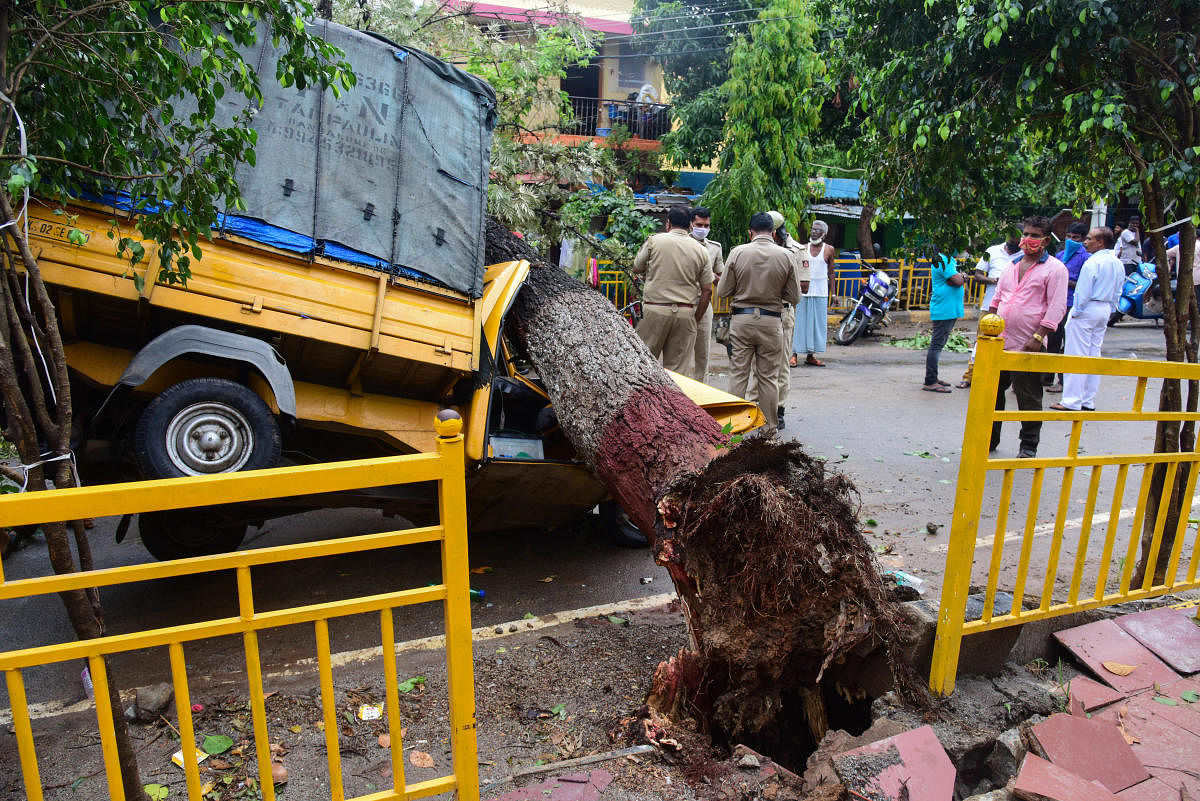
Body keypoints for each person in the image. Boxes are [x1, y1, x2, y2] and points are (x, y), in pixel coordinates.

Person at [987, 216, 1068, 458]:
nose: (1028, 239)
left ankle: (1028, 445)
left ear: (1045, 240)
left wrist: (1039, 335)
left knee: (1028, 395)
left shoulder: (1055, 269)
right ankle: (989, 438)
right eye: (1026, 234)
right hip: (1000, 341)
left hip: (1028, 343)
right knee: (991, 393)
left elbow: (1056, 306)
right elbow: (997, 299)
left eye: (1034, 235)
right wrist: (988, 326)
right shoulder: (1011, 266)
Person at [716, 212, 800, 430]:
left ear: (750, 232)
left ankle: (731, 428)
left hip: (742, 321)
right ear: (773, 233)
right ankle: (769, 429)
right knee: (769, 378)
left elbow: (723, 291)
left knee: (738, 374)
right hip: (772, 322)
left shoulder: (737, 252)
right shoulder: (786, 255)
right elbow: (795, 297)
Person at [1050, 227, 1123, 413]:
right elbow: (1118, 291)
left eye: (1089, 239)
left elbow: (1083, 292)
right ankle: (1087, 400)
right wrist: (1111, 309)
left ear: (1100, 242)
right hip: (1104, 308)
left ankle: (1071, 401)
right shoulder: (1116, 262)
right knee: (1093, 354)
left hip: (1088, 308)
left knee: (1075, 355)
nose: (1085, 241)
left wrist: (1077, 312)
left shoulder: (1092, 263)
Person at [631, 205, 712, 374]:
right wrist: (695, 319)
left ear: (668, 224)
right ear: (690, 225)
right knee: (677, 373)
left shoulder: (654, 241)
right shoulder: (702, 251)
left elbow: (637, 268)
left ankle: (645, 400)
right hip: (685, 313)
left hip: (654, 310)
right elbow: (707, 290)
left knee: (643, 367)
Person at [958, 235, 1019, 388]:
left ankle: (1009, 382)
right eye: (1013, 240)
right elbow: (977, 275)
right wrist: (993, 280)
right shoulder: (992, 251)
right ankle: (969, 376)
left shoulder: (1025, 256)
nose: (1015, 244)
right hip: (990, 305)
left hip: (1012, 308)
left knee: (1010, 343)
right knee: (981, 342)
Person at [1045, 222, 1090, 393]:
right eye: (1069, 236)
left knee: (1068, 343)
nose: (1071, 240)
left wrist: (1065, 281)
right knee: (1052, 341)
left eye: (1076, 237)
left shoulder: (1086, 259)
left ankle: (1063, 381)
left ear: (1082, 239)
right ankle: (1046, 376)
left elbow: (1084, 284)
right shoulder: (1060, 255)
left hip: (1072, 304)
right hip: (1055, 303)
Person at [793, 219, 835, 366]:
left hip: (821, 292)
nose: (813, 231)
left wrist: (834, 295)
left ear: (823, 234)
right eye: (812, 229)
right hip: (804, 291)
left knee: (816, 325)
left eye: (817, 230)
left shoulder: (829, 249)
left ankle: (810, 355)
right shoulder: (803, 248)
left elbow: (831, 273)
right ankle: (794, 355)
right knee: (799, 324)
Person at [689, 207, 724, 382]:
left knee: (703, 352)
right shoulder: (681, 244)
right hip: (682, 303)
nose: (702, 228)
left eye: (706, 225)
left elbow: (721, 279)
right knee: (681, 351)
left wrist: (711, 275)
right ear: (690, 225)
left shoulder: (715, 248)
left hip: (703, 303)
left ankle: (701, 389)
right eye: (699, 224)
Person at [923, 254, 965, 393]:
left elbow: (956, 280)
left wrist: (959, 278)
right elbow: (958, 281)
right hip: (944, 308)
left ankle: (933, 378)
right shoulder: (943, 259)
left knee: (938, 344)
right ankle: (930, 381)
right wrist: (962, 277)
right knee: (936, 345)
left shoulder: (949, 259)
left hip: (949, 308)